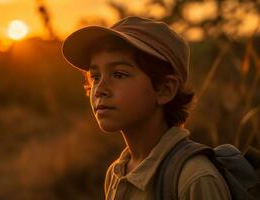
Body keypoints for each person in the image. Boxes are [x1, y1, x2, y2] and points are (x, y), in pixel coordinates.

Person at [62, 16, 231, 200]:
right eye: (95, 77)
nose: (100, 90)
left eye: (119, 74)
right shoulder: (116, 173)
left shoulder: (194, 178)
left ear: (165, 90)